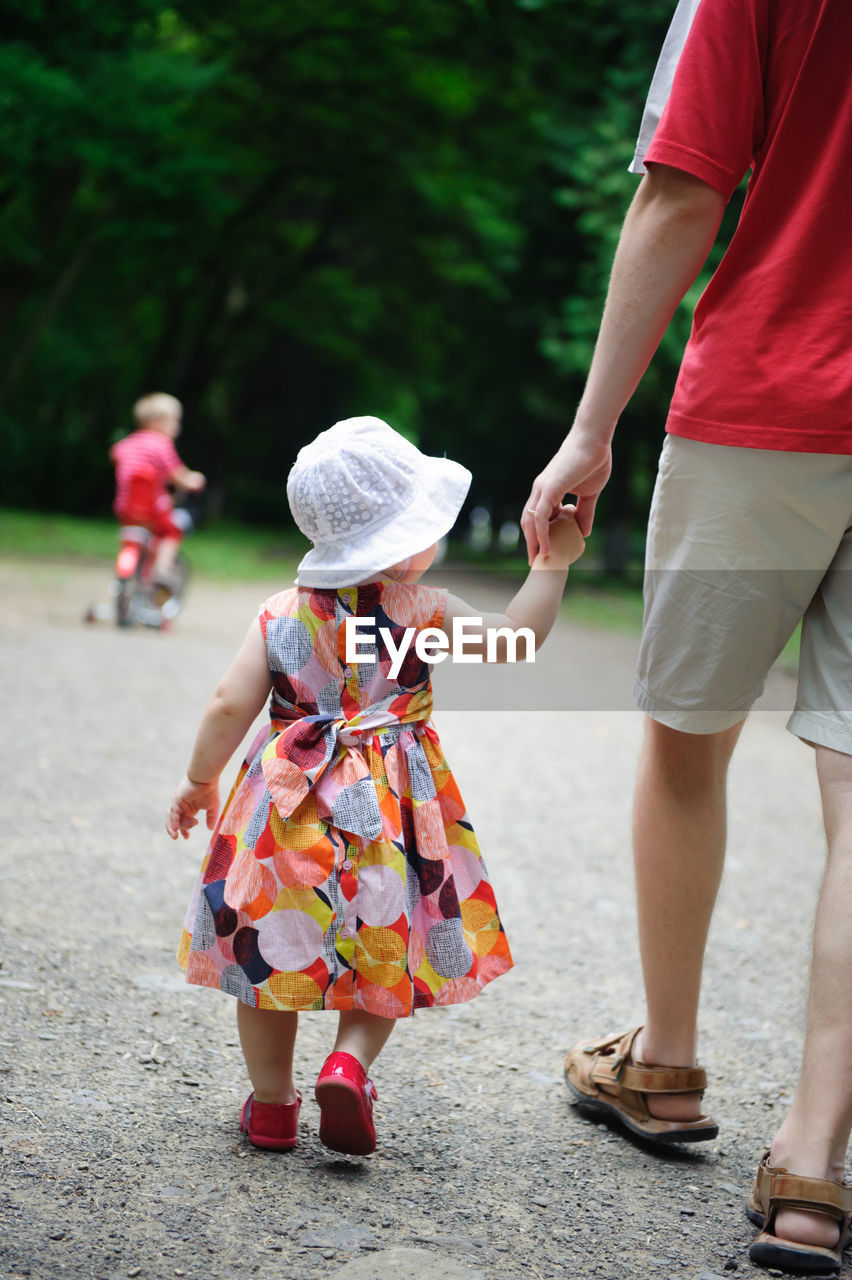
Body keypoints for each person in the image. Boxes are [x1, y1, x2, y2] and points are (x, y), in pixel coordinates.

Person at [522, 0, 852, 1271]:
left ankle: (661, 1063)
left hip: (764, 399)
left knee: (685, 739)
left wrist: (592, 430)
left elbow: (680, 192)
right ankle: (815, 1160)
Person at [167, 415, 584, 1157]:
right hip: (389, 814)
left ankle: (270, 1107)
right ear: (404, 542)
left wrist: (201, 780)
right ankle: (347, 1064)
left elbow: (229, 704)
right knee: (383, 942)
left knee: (271, 950)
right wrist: (552, 565)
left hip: (287, 807)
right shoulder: (421, 612)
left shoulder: (280, 612)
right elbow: (519, 639)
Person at [110, 393, 206, 589]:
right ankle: (162, 570)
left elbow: (115, 453)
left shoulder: (128, 443)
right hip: (153, 509)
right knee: (171, 531)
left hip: (126, 508)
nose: (177, 427)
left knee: (131, 542)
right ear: (157, 422)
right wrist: (193, 481)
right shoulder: (161, 445)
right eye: (174, 421)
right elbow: (177, 474)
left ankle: (126, 580)